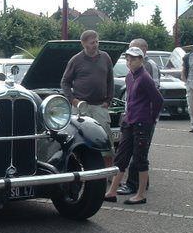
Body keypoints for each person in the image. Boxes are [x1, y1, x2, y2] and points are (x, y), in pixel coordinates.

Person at [105, 47, 163, 204]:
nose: (130, 62)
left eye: (134, 59)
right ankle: (111, 192)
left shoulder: (145, 77)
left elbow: (158, 100)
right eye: (128, 59)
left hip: (142, 123)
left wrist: (151, 118)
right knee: (121, 157)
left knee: (140, 159)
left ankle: (141, 194)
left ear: (141, 60)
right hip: (129, 121)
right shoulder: (129, 76)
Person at [61, 30, 115, 167]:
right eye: (92, 42)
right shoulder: (76, 60)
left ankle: (109, 175)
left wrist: (108, 100)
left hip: (99, 107)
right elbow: (65, 82)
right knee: (78, 140)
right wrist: (73, 100)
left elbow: (110, 80)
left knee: (106, 141)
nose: (95, 45)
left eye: (97, 41)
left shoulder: (106, 57)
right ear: (83, 43)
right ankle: (81, 170)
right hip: (81, 107)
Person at [117, 38, 160, 195]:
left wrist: (152, 117)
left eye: (134, 49)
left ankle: (133, 185)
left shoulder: (149, 67)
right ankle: (141, 183)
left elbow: (155, 95)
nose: (130, 57)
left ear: (143, 50)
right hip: (132, 116)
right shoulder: (131, 72)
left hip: (144, 118)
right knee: (136, 152)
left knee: (140, 154)